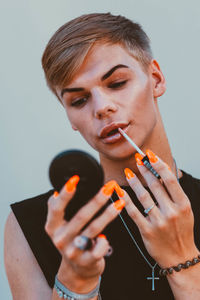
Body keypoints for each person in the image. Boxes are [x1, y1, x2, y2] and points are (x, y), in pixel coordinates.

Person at [4, 12, 200, 300]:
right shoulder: (34, 225)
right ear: (69, 116)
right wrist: (76, 282)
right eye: (79, 100)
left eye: (117, 83)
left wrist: (183, 261)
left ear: (156, 79)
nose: (101, 107)